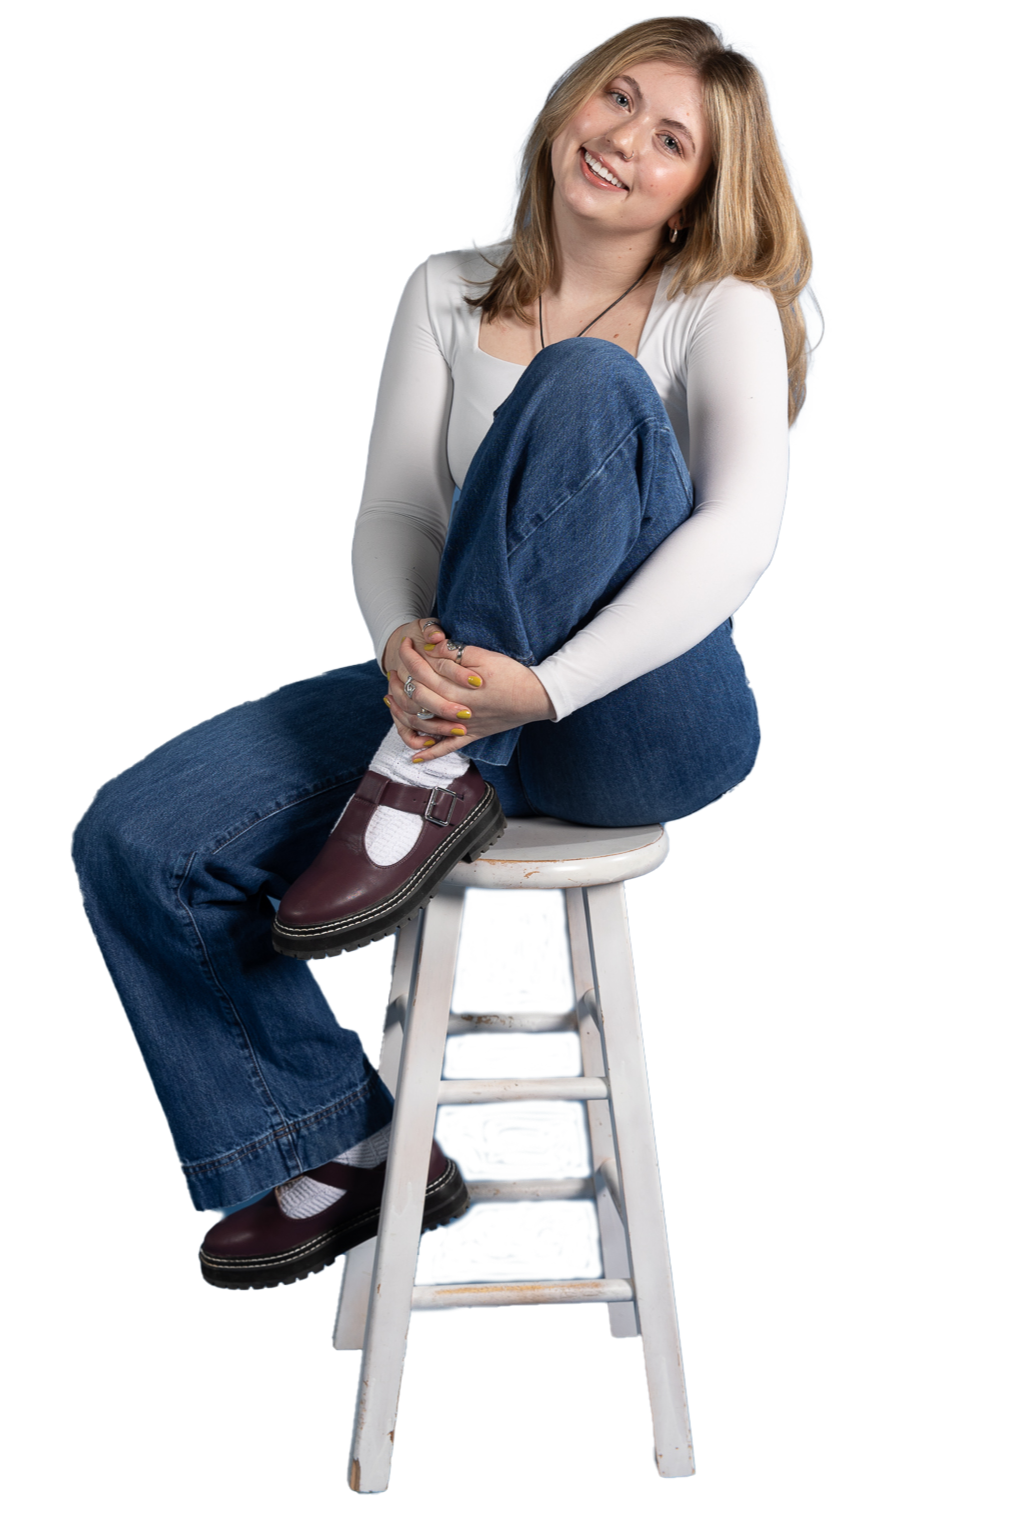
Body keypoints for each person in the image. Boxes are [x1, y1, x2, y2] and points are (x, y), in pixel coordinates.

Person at [70, 16, 823, 1292]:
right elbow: (399, 515)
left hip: (637, 718)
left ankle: (420, 773)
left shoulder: (720, 307)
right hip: (459, 700)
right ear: (568, 103)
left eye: (670, 139)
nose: (624, 141)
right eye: (617, 99)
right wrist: (403, 641)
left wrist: (545, 686)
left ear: (699, 190)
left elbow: (739, 534)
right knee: (134, 834)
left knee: (583, 384)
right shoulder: (441, 291)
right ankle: (342, 1144)